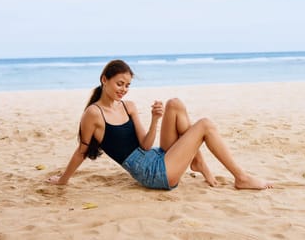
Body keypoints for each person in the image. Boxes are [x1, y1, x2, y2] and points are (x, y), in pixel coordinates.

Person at [46, 59, 273, 190]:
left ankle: (197, 161)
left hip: (154, 155)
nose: (123, 89)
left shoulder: (128, 106)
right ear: (104, 80)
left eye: (127, 85)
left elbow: (145, 145)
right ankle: (240, 177)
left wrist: (155, 119)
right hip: (152, 173)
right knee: (204, 125)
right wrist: (62, 181)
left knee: (174, 104)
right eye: (119, 83)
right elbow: (82, 151)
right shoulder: (93, 114)